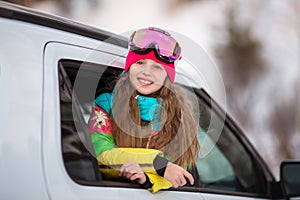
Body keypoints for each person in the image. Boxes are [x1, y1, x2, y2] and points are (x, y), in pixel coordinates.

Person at [88, 27, 200, 192]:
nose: (146, 72)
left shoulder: (179, 116)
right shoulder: (106, 104)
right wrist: (157, 165)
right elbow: (100, 153)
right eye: (140, 63)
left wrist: (147, 178)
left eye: (157, 67)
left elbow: (175, 172)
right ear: (129, 67)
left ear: (167, 76)